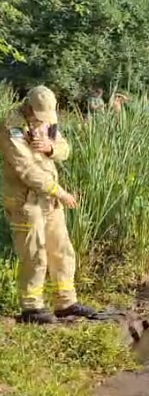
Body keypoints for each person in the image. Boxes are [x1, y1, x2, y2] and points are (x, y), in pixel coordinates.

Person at [0, 85, 95, 324]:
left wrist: (50, 148)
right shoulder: (11, 127)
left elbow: (65, 148)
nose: (44, 122)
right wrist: (60, 192)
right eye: (39, 116)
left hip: (49, 201)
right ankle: (32, 307)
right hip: (26, 202)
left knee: (62, 249)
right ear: (29, 108)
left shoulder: (47, 123)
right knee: (34, 254)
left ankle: (66, 302)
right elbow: (26, 170)